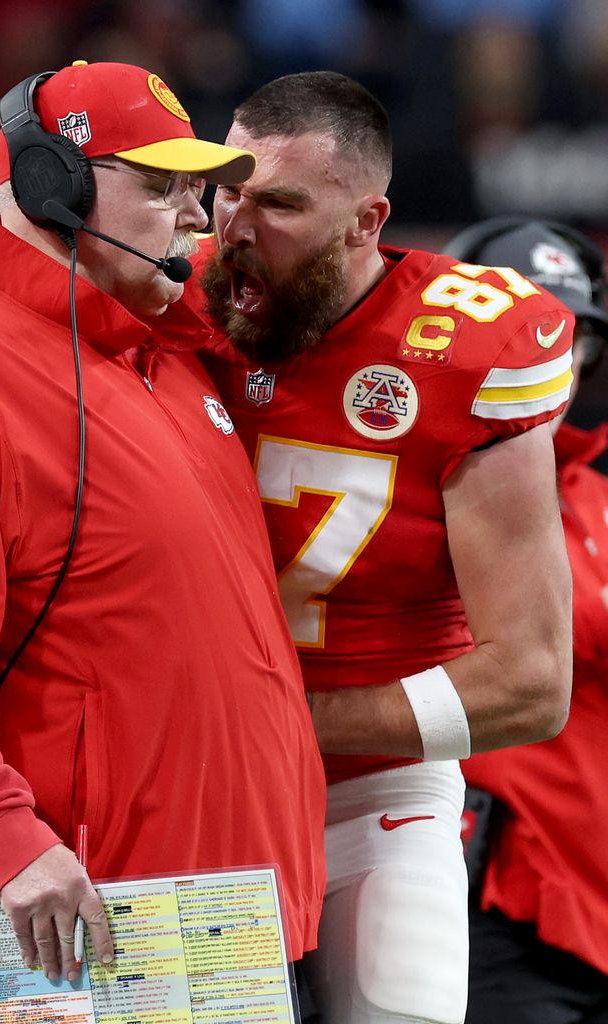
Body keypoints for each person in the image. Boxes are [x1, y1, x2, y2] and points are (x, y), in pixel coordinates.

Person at [0, 60, 327, 1020]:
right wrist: (7, 840)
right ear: (54, 187)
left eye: (197, 192)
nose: (195, 220)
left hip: (220, 914)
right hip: (68, 922)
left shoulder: (155, 349)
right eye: (162, 189)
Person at [186, 71, 574, 1024]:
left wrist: (276, 723)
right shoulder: (167, 291)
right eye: (227, 189)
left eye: (279, 202)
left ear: (367, 220)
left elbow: (529, 681)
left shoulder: (462, 348)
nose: (236, 225)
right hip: (193, 780)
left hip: (372, 784)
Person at [441, 218, 608, 1024]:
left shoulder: (599, 501)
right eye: (526, 328)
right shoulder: (401, 489)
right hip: (492, 909)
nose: (550, 356)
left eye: (569, 338)